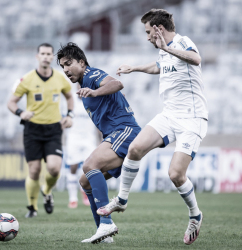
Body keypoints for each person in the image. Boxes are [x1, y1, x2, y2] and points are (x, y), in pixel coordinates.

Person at [97, 9, 208, 245]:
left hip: (192, 118)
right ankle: (122, 200)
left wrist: (166, 48)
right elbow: (159, 66)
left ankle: (195, 215)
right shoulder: (165, 53)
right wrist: (134, 68)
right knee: (135, 148)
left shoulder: (182, 43)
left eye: (148, 31)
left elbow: (196, 59)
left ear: (159, 29)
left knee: (176, 174)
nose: (147, 37)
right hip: (169, 115)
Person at [56, 42, 141, 244]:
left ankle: (106, 223)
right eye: (62, 67)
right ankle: (104, 235)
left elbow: (117, 83)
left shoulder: (92, 75)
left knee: (89, 165)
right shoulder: (83, 84)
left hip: (124, 131)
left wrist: (94, 92)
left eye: (68, 63)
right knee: (85, 181)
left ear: (82, 62)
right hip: (113, 135)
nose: (66, 69)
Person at [7, 43, 74, 218]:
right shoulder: (27, 79)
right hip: (33, 129)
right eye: (42, 53)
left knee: (54, 169)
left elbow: (69, 97)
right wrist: (21, 113)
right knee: (34, 170)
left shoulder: (60, 78)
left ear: (53, 57)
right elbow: (11, 103)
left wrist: (70, 115)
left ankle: (47, 190)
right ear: (37, 56)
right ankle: (32, 207)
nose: (45, 56)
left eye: (48, 54)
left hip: (53, 128)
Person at [64, 84, 97, 209]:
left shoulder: (93, 100)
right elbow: (65, 119)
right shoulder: (70, 100)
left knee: (89, 167)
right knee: (73, 166)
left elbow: (97, 121)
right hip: (74, 138)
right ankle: (73, 198)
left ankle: (85, 191)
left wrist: (100, 140)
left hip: (89, 138)